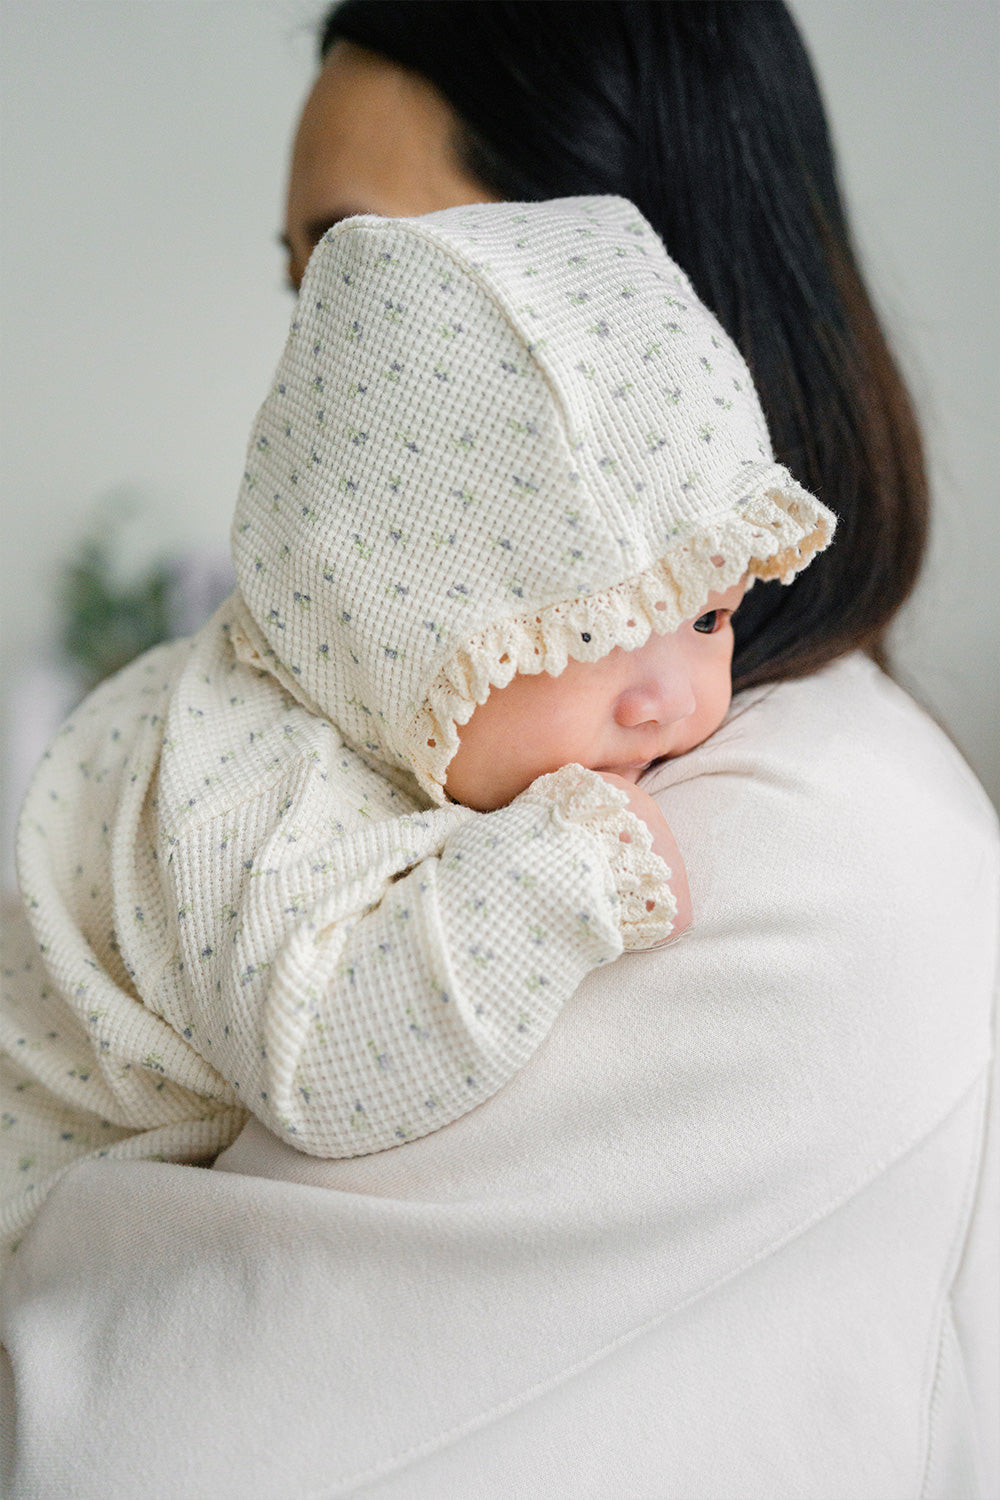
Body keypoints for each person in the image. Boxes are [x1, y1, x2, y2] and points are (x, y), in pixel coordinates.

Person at [1, 7, 995, 1498]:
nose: (315, 382)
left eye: (374, 276)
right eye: (309, 288)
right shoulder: (312, 749)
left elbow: (151, 1417)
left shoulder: (807, 842)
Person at [0, 192, 835, 1255]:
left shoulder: (373, 709)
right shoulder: (258, 785)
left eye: (709, 612)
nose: (670, 698)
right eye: (577, 637)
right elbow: (321, 1061)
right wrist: (555, 873)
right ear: (394, 629)